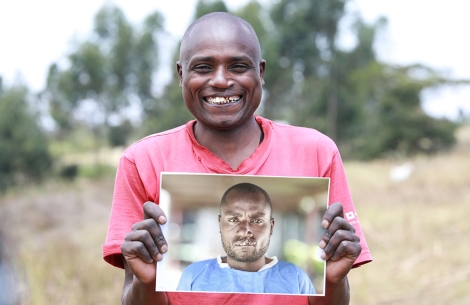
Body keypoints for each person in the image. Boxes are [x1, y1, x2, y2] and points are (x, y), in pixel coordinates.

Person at [103, 11, 372, 305]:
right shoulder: (143, 161)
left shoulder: (317, 152)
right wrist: (147, 280)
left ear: (261, 72)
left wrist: (333, 280)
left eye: (238, 66)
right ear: (181, 75)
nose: (220, 81)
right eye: (203, 67)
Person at [176, 182, 316, 294]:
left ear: (271, 227)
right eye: (234, 219)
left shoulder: (296, 279)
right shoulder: (193, 276)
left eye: (256, 221)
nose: (244, 231)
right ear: (220, 224)